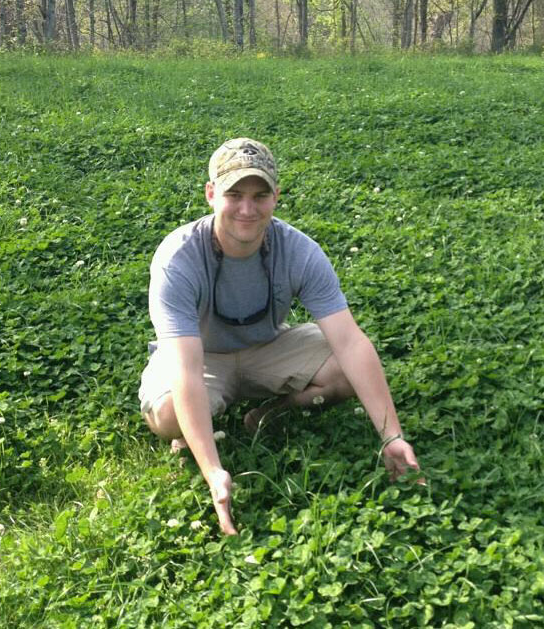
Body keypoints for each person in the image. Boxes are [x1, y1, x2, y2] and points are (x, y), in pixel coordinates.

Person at [139, 138, 421, 535]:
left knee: (346, 371)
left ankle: (271, 413)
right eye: (234, 194)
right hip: (201, 357)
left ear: (277, 196)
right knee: (168, 416)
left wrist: (391, 435)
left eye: (260, 195)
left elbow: (350, 342)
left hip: (268, 346)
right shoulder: (177, 258)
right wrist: (214, 470)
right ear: (210, 194)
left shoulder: (300, 251)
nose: (247, 209)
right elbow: (185, 368)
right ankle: (194, 431)